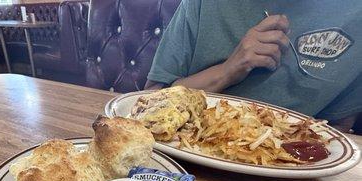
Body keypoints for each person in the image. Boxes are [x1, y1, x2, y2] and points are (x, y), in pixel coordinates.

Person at [146, 0, 362, 133]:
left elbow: (339, 127)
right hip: (186, 158)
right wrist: (227, 71)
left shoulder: (355, 15)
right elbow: (150, 98)